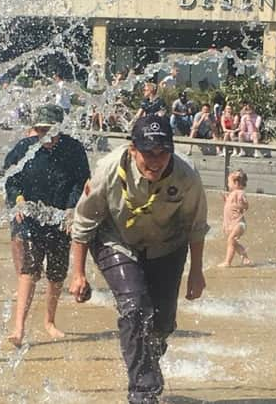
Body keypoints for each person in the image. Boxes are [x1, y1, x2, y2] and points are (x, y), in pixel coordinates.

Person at [68, 114, 209, 404]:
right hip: (115, 240)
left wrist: (197, 271)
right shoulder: (108, 169)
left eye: (163, 152)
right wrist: (78, 273)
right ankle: (143, 393)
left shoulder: (186, 175)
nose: (156, 161)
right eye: (148, 153)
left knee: (161, 324)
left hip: (167, 246)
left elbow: (196, 225)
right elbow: (83, 221)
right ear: (133, 150)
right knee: (135, 309)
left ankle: (147, 358)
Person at [3, 104, 89, 346]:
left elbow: (80, 181)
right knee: (29, 270)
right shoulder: (23, 149)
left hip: (61, 217)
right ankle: (18, 327)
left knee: (56, 273)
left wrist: (72, 209)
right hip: (29, 215)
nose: (45, 136)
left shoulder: (73, 150)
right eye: (40, 130)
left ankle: (49, 321)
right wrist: (17, 200)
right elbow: (10, 178)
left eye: (50, 131)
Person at [218, 170, 252, 267]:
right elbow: (231, 207)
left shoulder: (239, 192)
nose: (228, 185)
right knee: (233, 242)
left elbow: (245, 204)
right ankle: (245, 258)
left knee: (231, 240)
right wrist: (226, 200)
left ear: (236, 183)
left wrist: (244, 203)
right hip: (234, 223)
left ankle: (227, 262)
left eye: (229, 182)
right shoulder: (233, 193)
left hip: (238, 223)